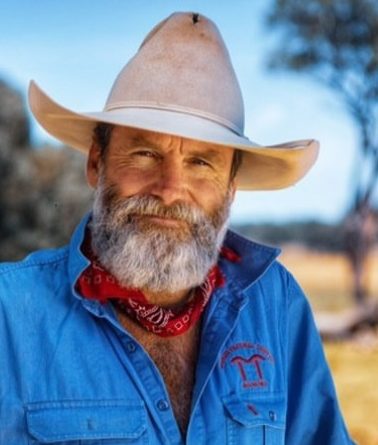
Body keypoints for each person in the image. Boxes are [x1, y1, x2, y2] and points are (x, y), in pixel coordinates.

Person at [0, 12, 354, 445]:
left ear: (231, 189)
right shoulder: (9, 316)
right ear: (97, 163)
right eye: (146, 154)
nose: (170, 191)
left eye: (201, 163)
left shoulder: (275, 304)